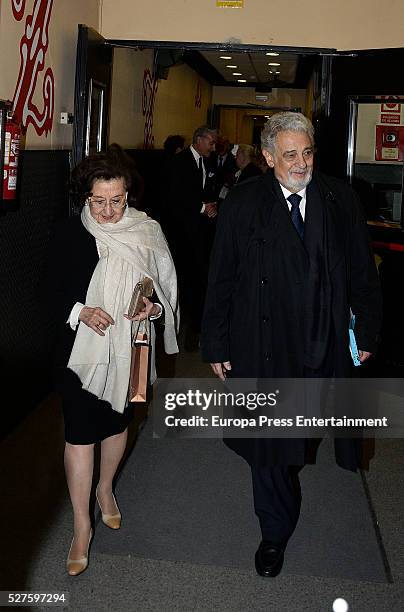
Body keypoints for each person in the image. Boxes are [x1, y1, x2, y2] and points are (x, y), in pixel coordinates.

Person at [201, 112, 382, 578]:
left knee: (304, 433)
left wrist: (366, 334)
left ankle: (288, 469)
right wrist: (217, 343)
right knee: (269, 445)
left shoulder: (341, 198)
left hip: (323, 341)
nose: (301, 163)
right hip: (263, 342)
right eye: (289, 155)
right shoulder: (243, 203)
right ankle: (274, 532)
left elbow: (364, 274)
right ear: (267, 156)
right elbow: (221, 278)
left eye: (307, 152)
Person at [48, 145, 178, 576]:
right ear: (85, 196)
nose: (107, 210)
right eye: (98, 201)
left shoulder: (146, 231)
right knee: (81, 433)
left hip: (129, 347)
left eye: (116, 200)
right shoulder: (69, 233)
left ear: (129, 196)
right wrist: (80, 311)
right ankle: (81, 526)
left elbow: (163, 288)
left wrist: (152, 309)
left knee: (119, 422)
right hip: (80, 355)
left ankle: (106, 489)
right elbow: (48, 292)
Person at [166, 125, 218, 350]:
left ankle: (196, 327)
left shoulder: (208, 162)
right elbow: (174, 196)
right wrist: (201, 207)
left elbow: (207, 190)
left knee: (200, 280)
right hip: (183, 234)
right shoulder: (180, 162)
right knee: (187, 280)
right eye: (211, 142)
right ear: (199, 139)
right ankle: (187, 327)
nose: (214, 147)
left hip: (202, 233)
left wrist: (212, 206)